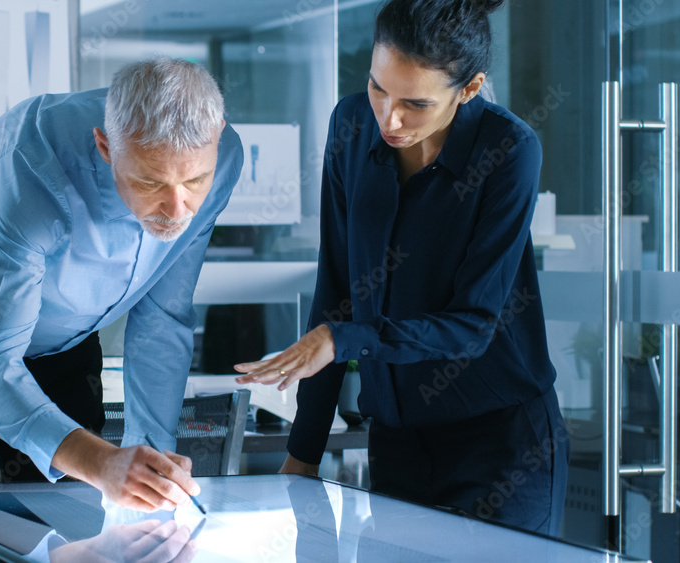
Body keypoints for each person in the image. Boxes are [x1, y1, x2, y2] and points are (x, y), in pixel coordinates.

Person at [234, 0, 568, 535]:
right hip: (395, 441)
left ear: (470, 88)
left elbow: (473, 326)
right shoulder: (351, 124)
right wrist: (304, 453)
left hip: (500, 446)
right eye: (377, 87)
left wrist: (342, 341)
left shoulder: (508, 150)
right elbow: (336, 288)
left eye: (415, 102)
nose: (389, 118)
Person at [0, 57, 243, 514]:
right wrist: (102, 463)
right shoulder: (34, 167)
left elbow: (163, 315)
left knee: (64, 528)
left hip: (63, 343)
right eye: (149, 181)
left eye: (195, 180)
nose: (177, 209)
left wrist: (150, 468)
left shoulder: (224, 154)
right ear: (104, 146)